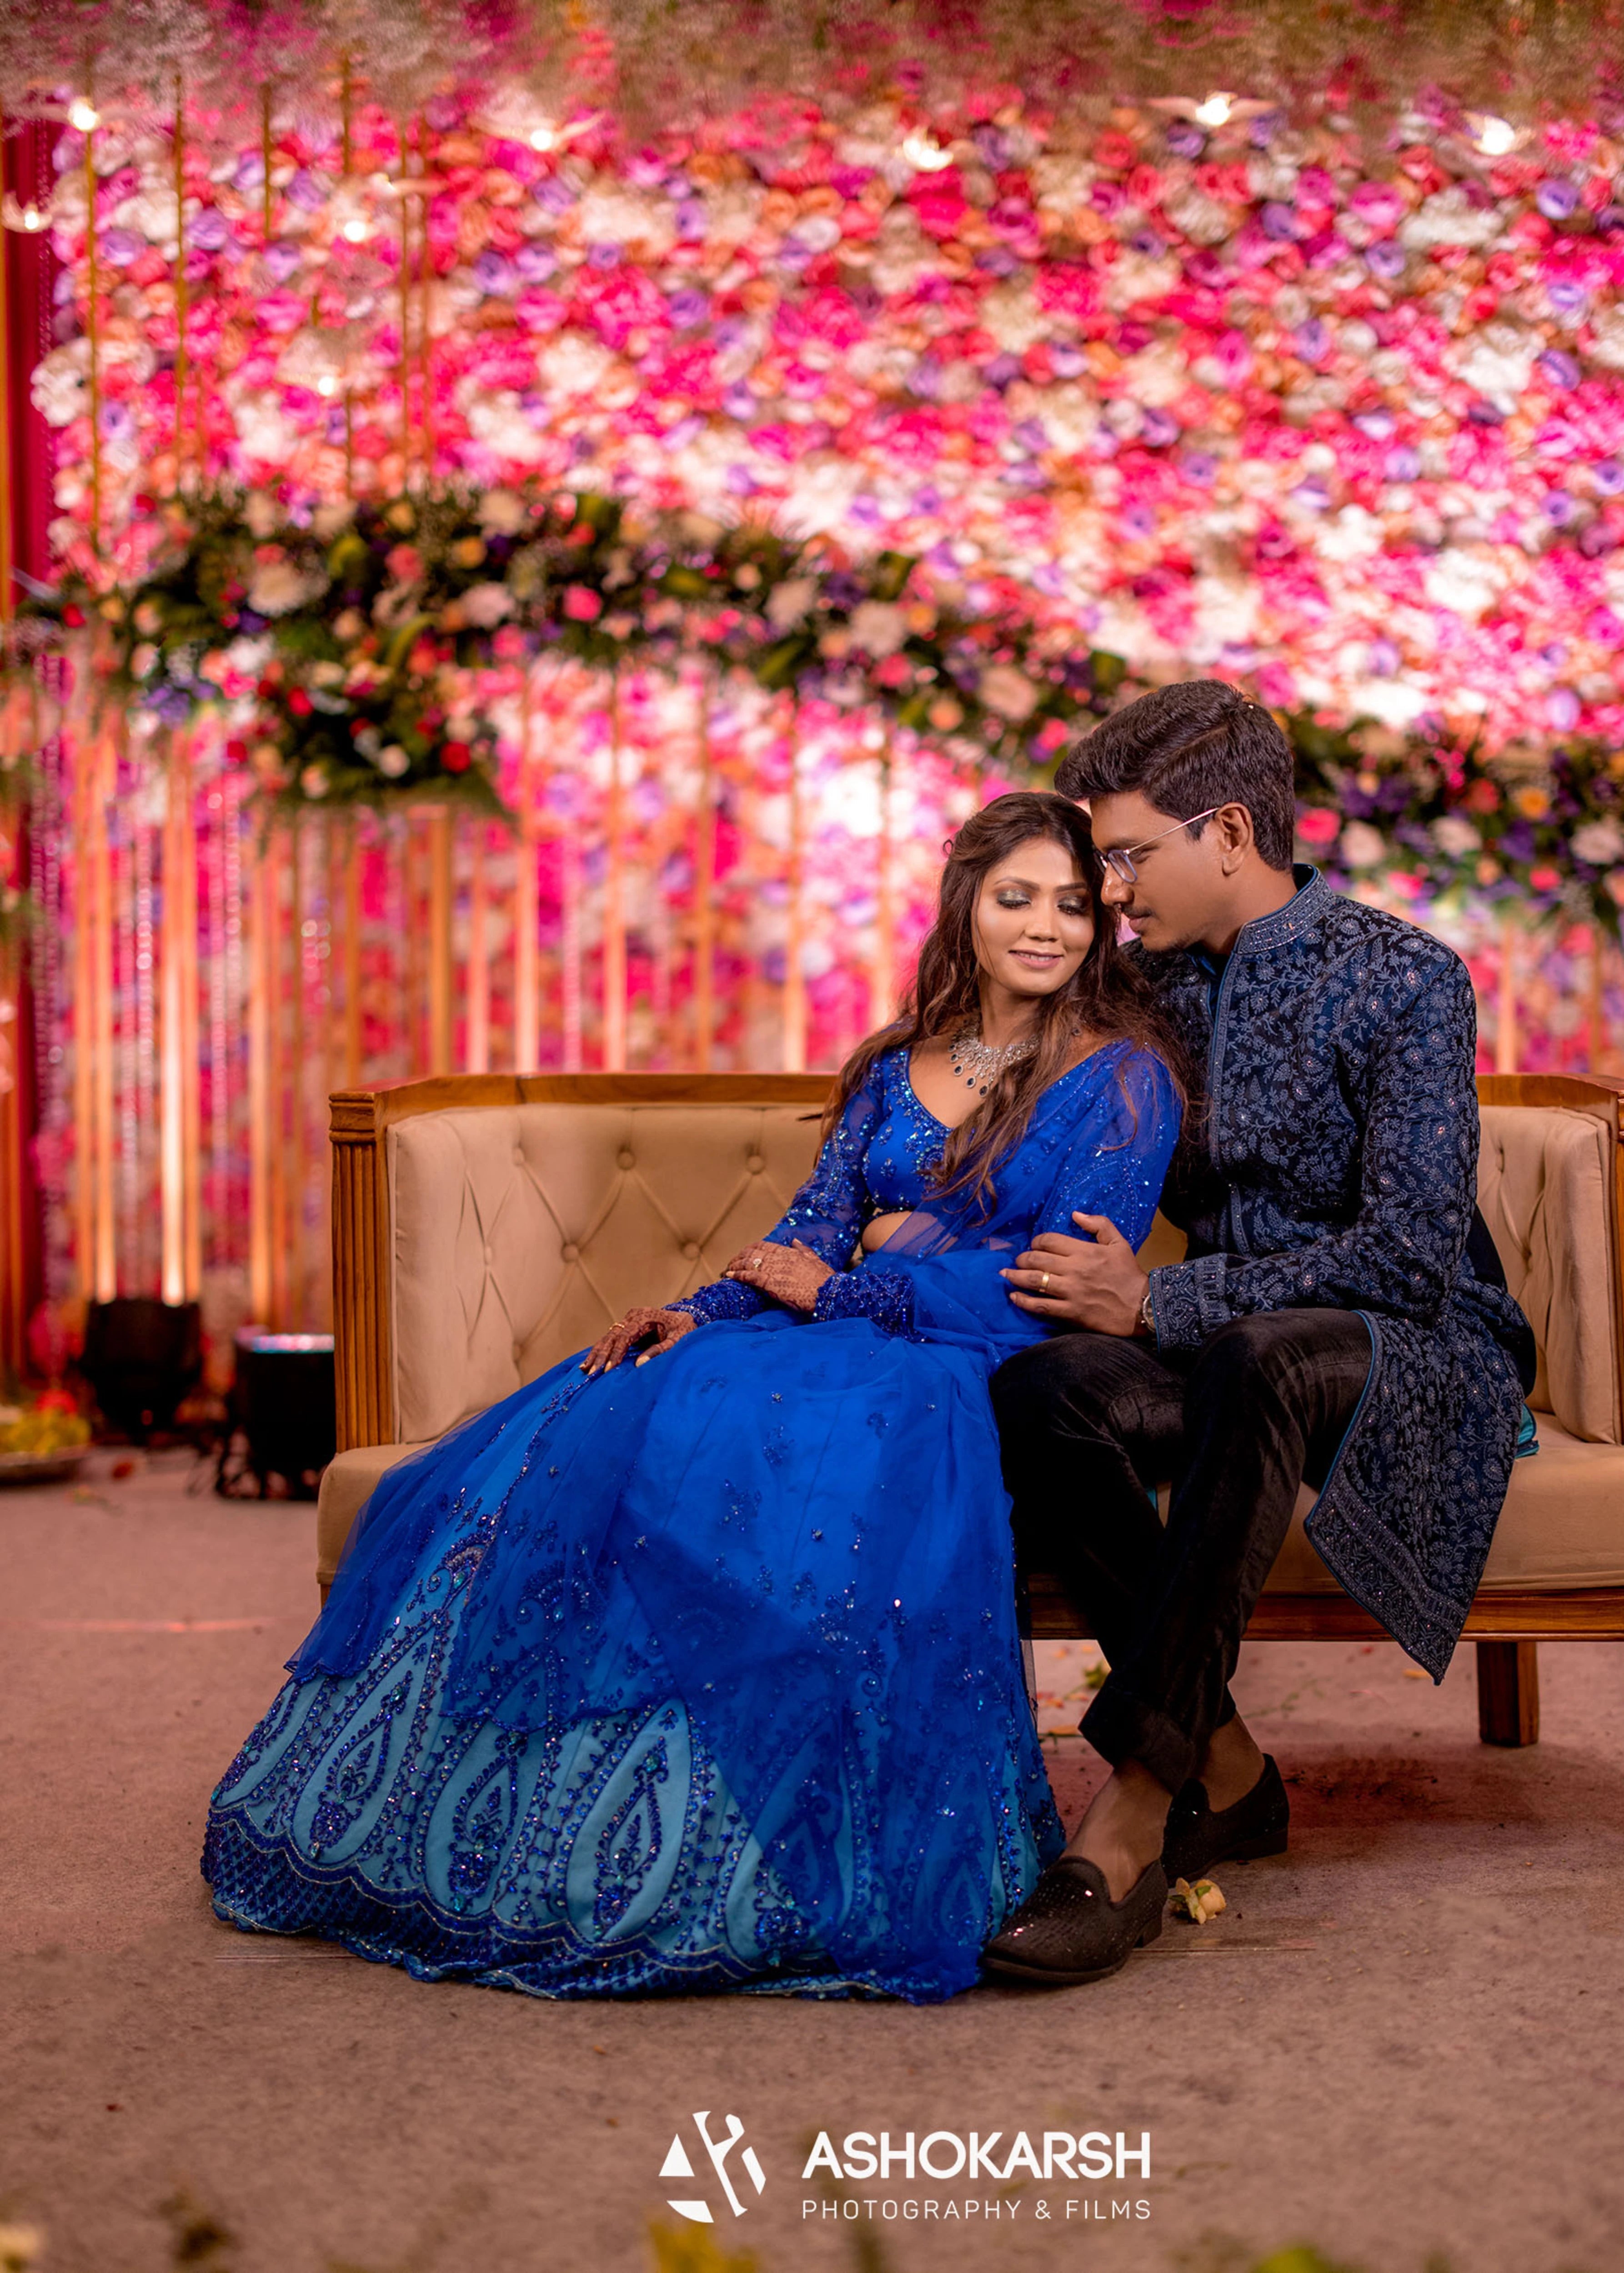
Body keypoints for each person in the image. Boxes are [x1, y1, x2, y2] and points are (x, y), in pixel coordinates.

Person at [203, 792, 1188, 2003]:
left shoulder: (1121, 1082)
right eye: (1016, 897)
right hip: (837, 1332)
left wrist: (858, 1286)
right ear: (966, 906)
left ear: (1102, 927)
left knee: (791, 1449)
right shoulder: (895, 1066)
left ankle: (751, 1870)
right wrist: (707, 1308)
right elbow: (813, 1230)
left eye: (1073, 906)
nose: (1044, 926)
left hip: (957, 1373)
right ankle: (546, 1850)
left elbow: (1045, 1282)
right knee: (625, 1402)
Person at [982, 682, 1535, 1989]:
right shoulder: (1138, 989)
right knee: (1043, 1385)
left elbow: (1407, 1254)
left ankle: (1123, 1826)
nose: (1109, 888)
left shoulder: (1403, 979)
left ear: (1225, 833)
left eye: (1126, 854)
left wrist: (1162, 1301)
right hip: (1239, 1348)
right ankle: (1224, 1771)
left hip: (1415, 1345)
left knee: (1252, 1350)